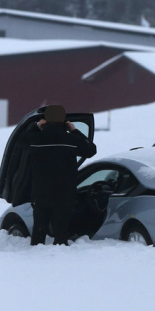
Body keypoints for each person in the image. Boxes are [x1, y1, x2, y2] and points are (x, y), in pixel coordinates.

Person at [25, 105, 97, 245]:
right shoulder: (70, 140)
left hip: (42, 191)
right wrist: (75, 130)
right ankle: (60, 251)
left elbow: (21, 141)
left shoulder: (36, 140)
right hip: (65, 191)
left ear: (45, 120)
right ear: (64, 121)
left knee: (40, 226)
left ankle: (36, 250)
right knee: (61, 228)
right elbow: (91, 150)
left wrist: (36, 126)